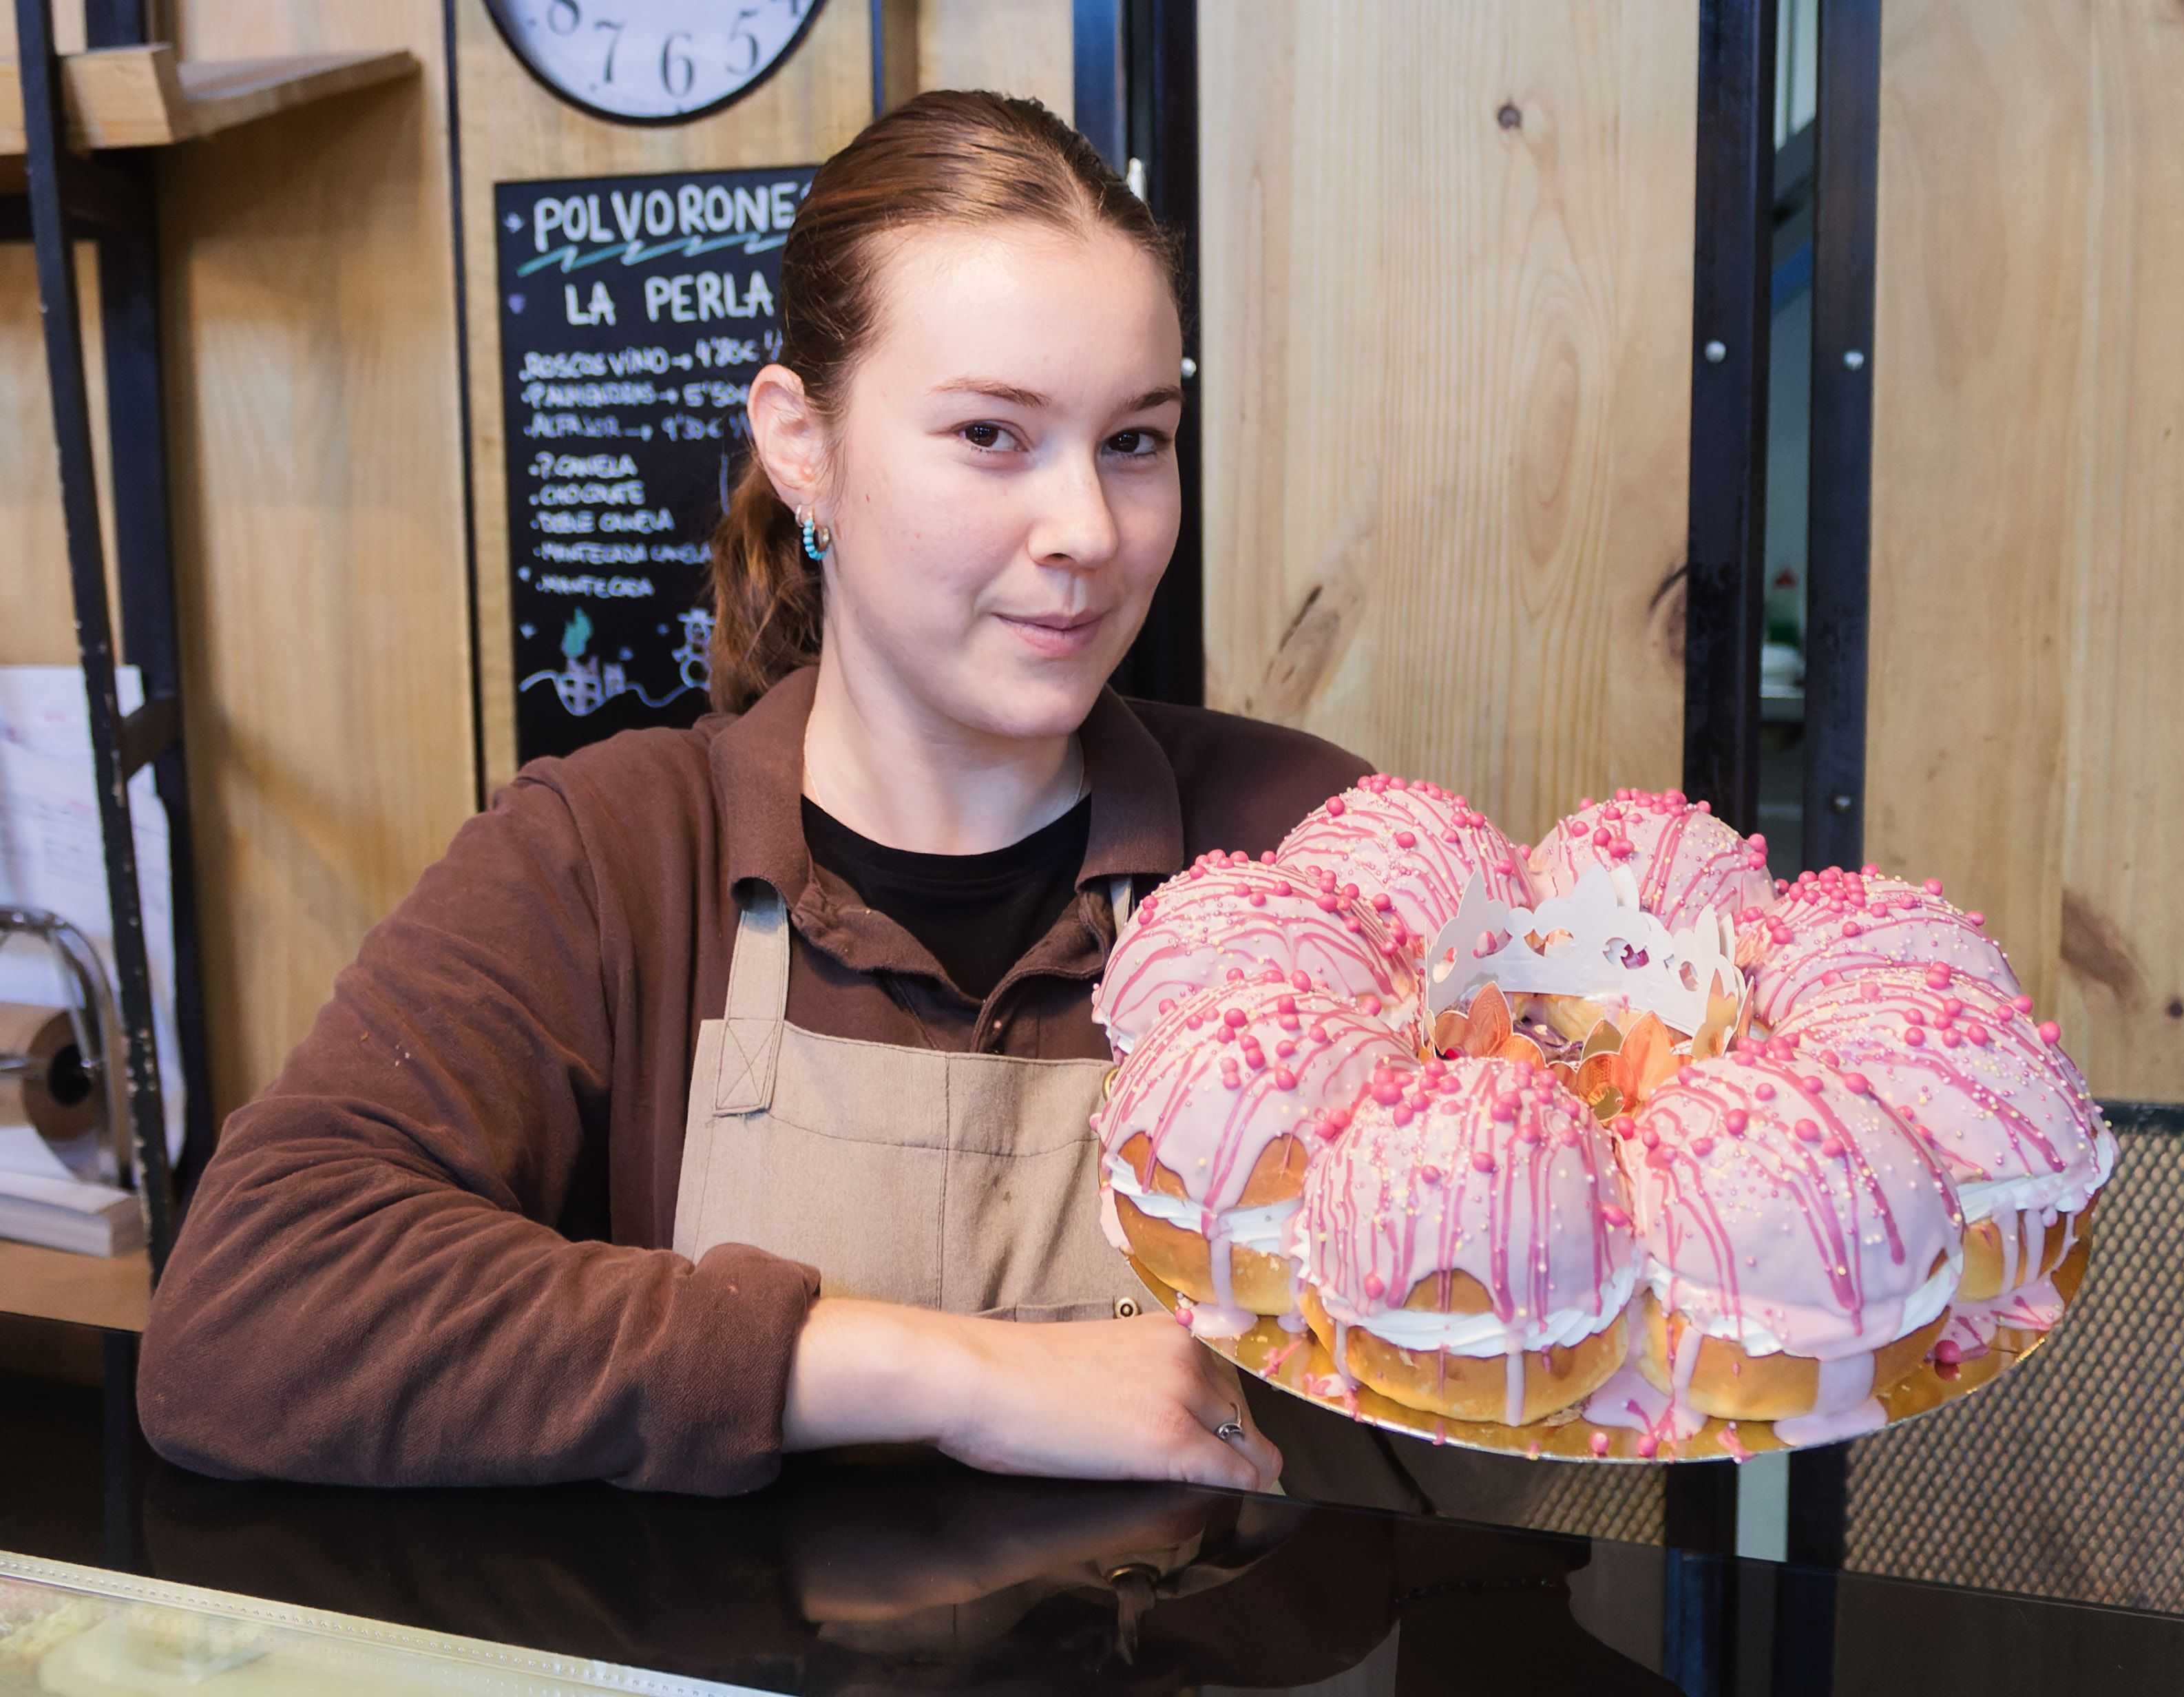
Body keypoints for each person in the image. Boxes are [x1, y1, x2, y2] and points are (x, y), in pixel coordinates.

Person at [135, 92, 1351, 1497]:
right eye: (992, 436)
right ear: (800, 440)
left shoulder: (1305, 847)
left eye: (1136, 439)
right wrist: (936, 1367)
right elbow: (242, 1310)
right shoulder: (610, 856)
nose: (1088, 529)